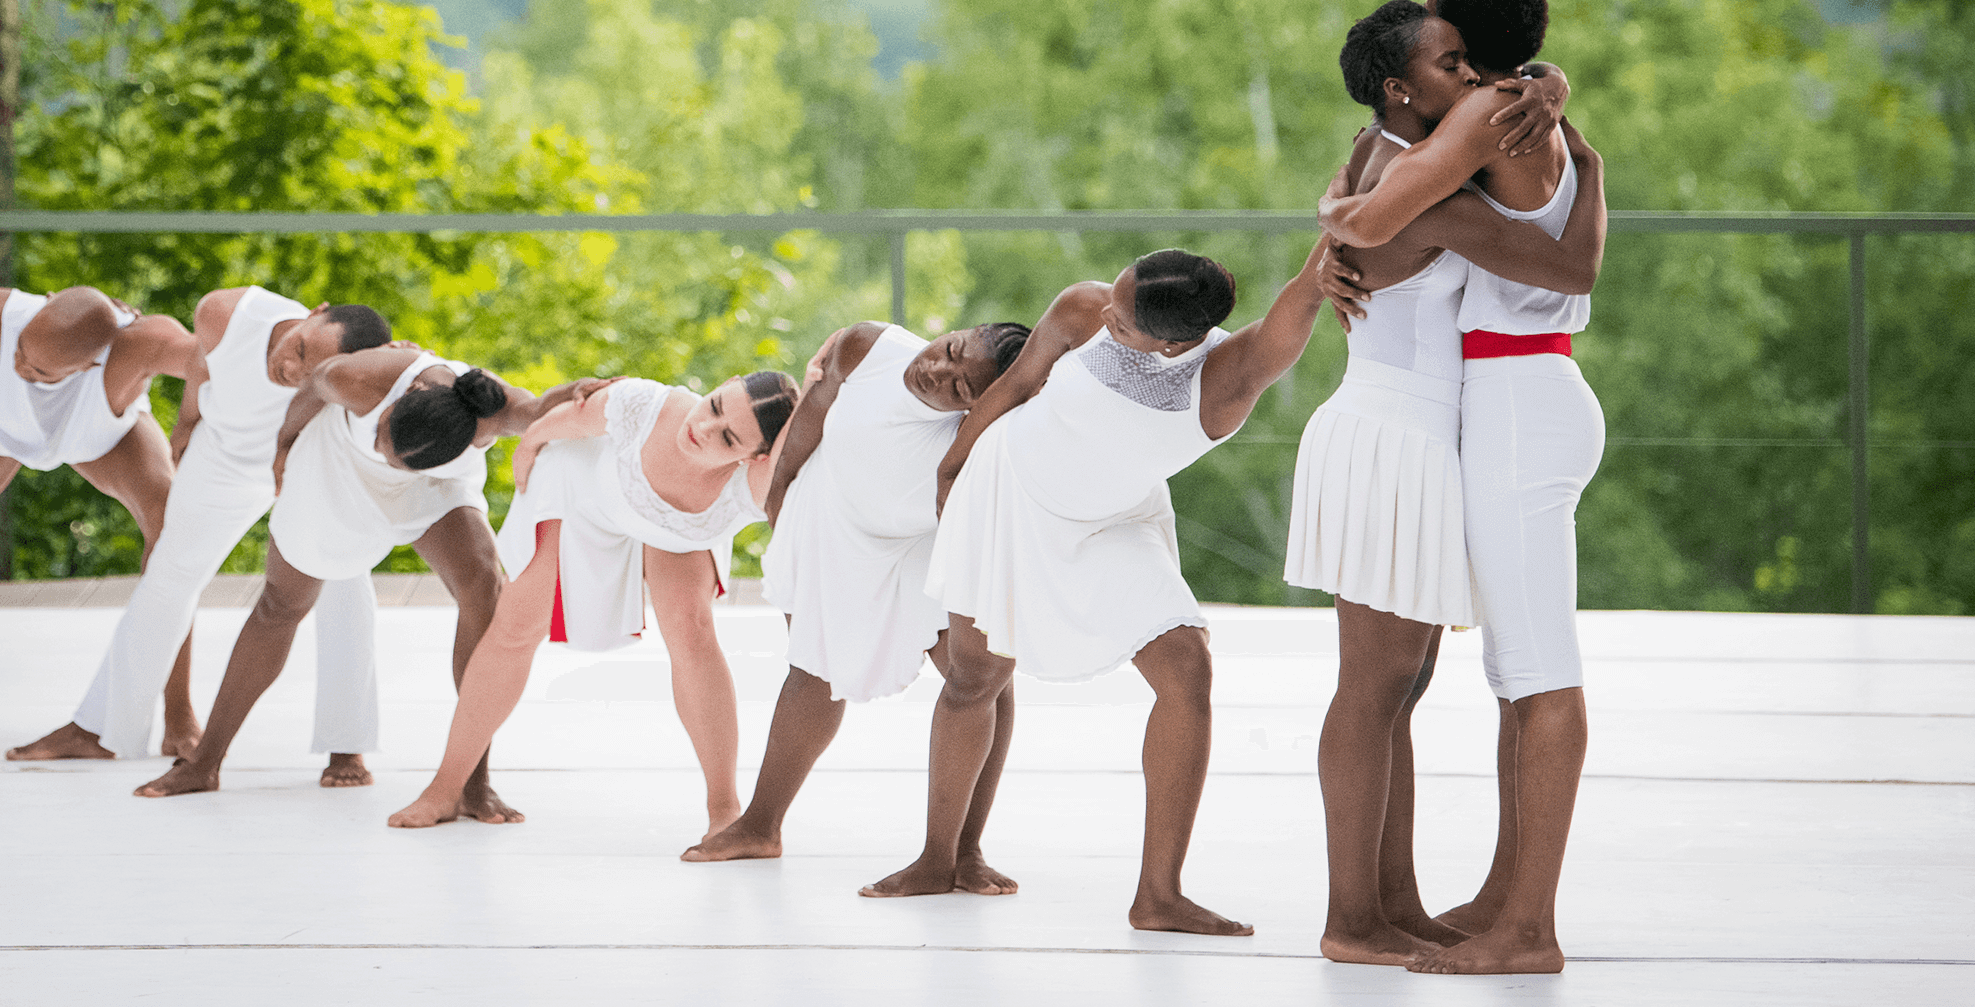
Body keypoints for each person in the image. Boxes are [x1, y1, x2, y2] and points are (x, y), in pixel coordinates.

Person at [862, 245, 1332, 937]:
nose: (1103, 307)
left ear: (1177, 339)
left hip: (1112, 522)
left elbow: (1302, 298)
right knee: (974, 677)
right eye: (1115, 292)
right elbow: (1019, 383)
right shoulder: (1086, 306)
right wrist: (953, 463)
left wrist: (1333, 251)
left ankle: (1159, 894)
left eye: (1123, 312)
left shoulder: (1226, 379)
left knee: (1187, 665)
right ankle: (941, 857)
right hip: (1009, 492)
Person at [1289, 0, 1607, 965]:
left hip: (1414, 431)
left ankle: (1391, 905)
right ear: (1402, 87)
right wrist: (1587, 163)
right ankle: (1354, 919)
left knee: (1399, 686)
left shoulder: (1374, 151)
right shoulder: (1431, 196)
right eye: (1452, 64)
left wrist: (1563, 115)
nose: (1473, 82)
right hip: (1396, 435)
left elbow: (1364, 193)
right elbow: (1569, 265)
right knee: (1374, 688)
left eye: (1474, 62)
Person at [134, 346, 610, 812]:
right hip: (336, 467)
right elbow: (315, 381)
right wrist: (282, 446)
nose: (387, 454)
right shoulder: (361, 378)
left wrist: (589, 393)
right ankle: (205, 762)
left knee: (485, 587)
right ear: (407, 395)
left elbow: (552, 409)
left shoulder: (494, 413)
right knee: (282, 604)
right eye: (385, 438)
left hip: (431, 486)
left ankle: (471, 782)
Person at [681, 321, 1030, 888]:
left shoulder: (983, 443)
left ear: (983, 404)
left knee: (985, 677)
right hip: (828, 518)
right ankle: (760, 825)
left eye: (961, 389)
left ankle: (963, 850)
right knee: (813, 671)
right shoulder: (868, 347)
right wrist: (781, 493)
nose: (937, 371)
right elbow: (810, 421)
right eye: (950, 350)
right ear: (958, 332)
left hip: (911, 546)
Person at [386, 370, 799, 835]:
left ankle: (724, 810)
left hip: (678, 527)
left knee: (692, 632)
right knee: (517, 626)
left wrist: (819, 377)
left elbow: (817, 441)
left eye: (726, 438)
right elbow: (542, 431)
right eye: (715, 406)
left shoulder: (760, 482)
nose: (701, 429)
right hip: (587, 483)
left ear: (757, 457)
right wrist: (526, 450)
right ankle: (443, 790)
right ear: (724, 383)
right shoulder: (642, 403)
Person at [9, 289, 392, 783]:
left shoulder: (355, 375)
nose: (292, 370)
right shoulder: (227, 312)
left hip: (306, 459)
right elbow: (202, 366)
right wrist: (187, 424)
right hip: (225, 454)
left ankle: (347, 746)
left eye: (312, 371)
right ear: (314, 313)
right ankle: (99, 731)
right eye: (298, 349)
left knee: (344, 580)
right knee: (168, 574)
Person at [3, 287, 196, 760]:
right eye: (21, 352)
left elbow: (212, 359)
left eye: (39, 371)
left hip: (96, 428)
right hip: (7, 424)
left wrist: (189, 421)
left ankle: (179, 715)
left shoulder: (137, 343)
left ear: (91, 361)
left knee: (175, 530)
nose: (21, 369)